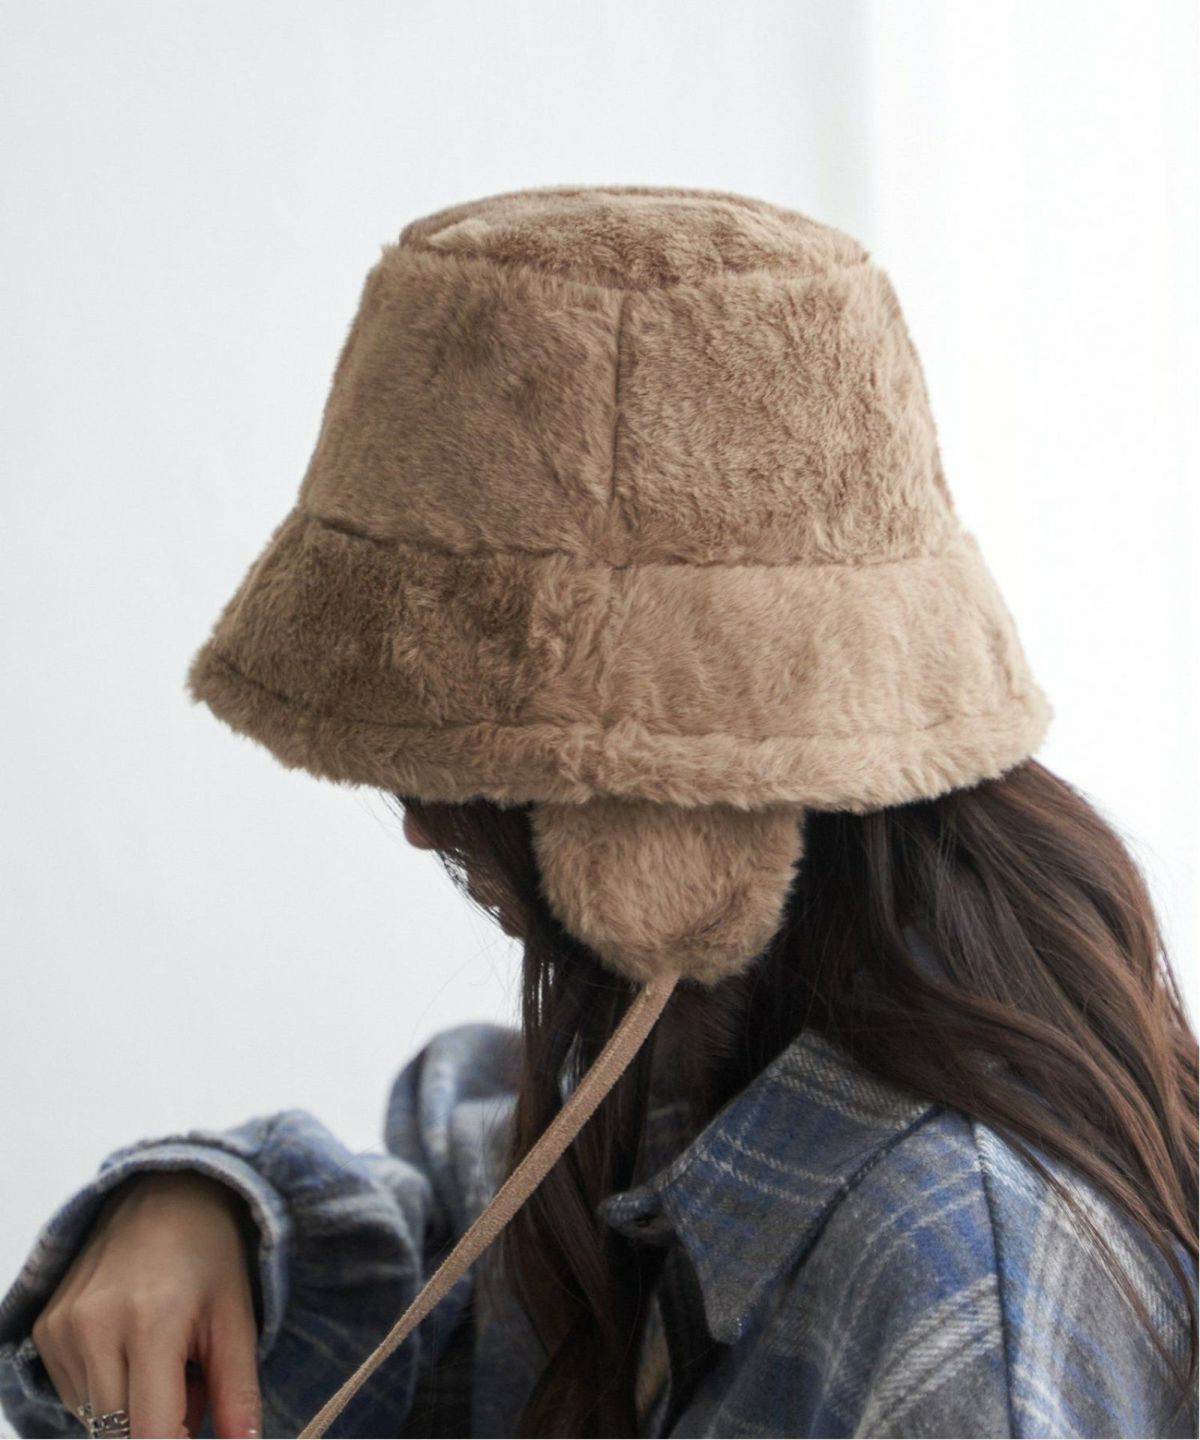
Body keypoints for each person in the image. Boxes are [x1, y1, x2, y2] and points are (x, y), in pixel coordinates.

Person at [1, 186, 1195, 1440]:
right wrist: (204, 1207)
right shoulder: (697, 1079)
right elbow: (448, 1216)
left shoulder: (955, 1296)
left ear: (674, 844)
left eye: (471, 786)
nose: (424, 831)